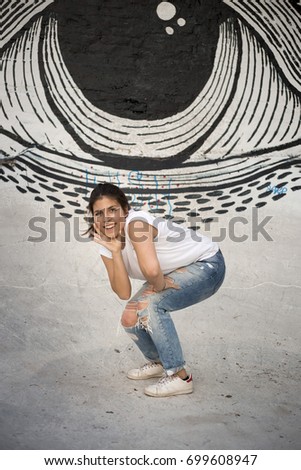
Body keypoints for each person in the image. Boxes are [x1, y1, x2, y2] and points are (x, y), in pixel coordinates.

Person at [87, 182, 226, 397]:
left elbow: (152, 271)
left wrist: (160, 285)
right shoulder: (107, 242)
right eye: (99, 214)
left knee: (151, 304)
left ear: (125, 209)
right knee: (130, 318)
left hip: (207, 264)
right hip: (175, 269)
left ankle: (180, 377)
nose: (107, 219)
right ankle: (160, 362)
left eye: (113, 210)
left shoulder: (136, 224)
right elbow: (122, 292)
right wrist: (115, 251)